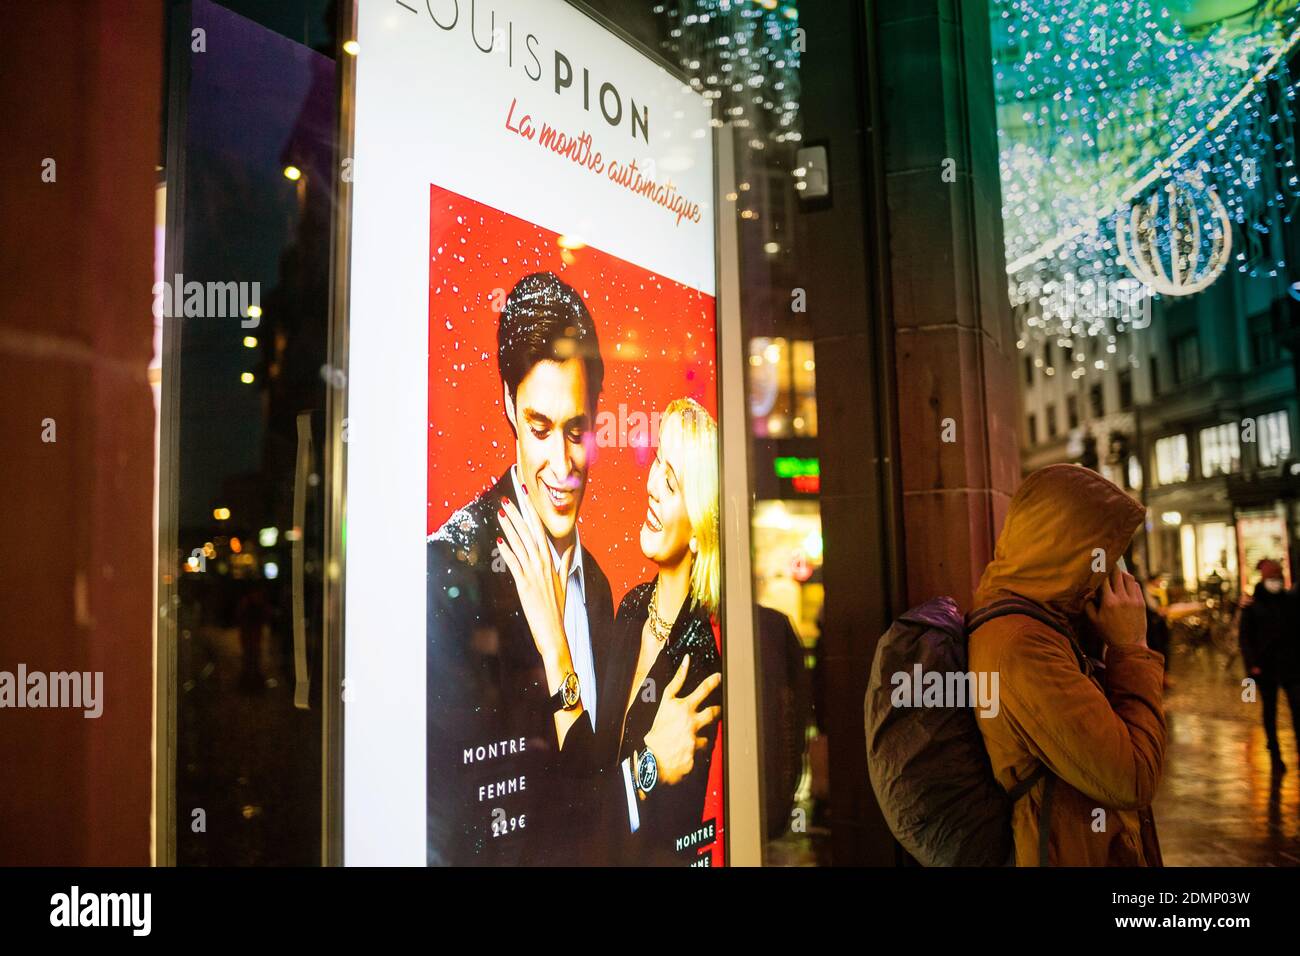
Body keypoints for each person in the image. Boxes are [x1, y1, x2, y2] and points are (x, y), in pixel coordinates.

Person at [425, 271, 618, 866]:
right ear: (508, 405)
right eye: (539, 430)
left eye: (577, 430)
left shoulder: (601, 588)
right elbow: (446, 820)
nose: (561, 464)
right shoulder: (446, 569)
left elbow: (594, 795)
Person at [498, 398, 724, 865]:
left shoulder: (700, 664)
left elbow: (646, 839)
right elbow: (585, 776)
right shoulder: (632, 608)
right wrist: (554, 637)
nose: (652, 487)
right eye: (658, 461)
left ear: (702, 526)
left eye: (674, 482)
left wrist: (556, 649)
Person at [968, 463, 1167, 866]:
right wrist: (1131, 647)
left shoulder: (1037, 625)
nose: (1116, 571)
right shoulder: (1023, 646)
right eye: (1108, 555)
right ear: (1071, 553)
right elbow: (1133, 778)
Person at [1239, 559, 1300, 774]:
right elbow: (1245, 639)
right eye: (1271, 578)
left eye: (1277, 578)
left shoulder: (1289, 601)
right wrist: (1252, 666)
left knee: (1297, 707)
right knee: (1270, 710)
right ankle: (1274, 751)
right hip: (1265, 668)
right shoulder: (1253, 605)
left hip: (1290, 666)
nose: (1275, 582)